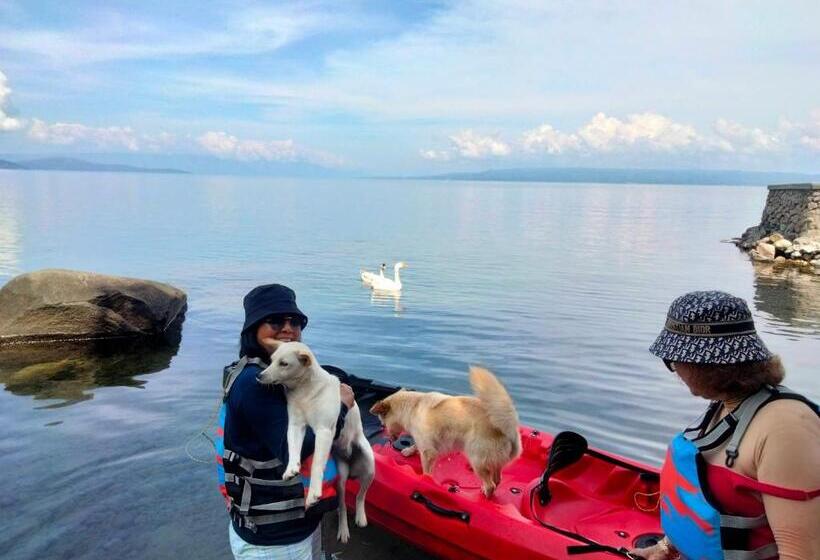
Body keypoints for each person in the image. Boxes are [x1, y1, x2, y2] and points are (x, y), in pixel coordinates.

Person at [631, 291, 819, 560]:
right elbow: (712, 504)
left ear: (706, 365)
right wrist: (665, 548)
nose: (674, 370)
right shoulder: (727, 405)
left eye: (673, 360)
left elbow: (803, 554)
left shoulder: (786, 430)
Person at [215, 284, 355, 560]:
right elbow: (296, 450)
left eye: (296, 322)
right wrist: (340, 406)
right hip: (275, 541)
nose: (288, 328)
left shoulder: (259, 372)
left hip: (292, 525)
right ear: (253, 327)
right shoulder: (254, 384)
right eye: (276, 321)